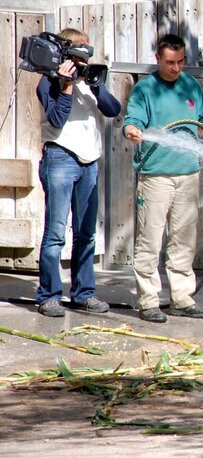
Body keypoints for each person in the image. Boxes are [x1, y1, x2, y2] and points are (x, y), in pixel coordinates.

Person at [122, 33, 203, 323]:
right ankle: (148, 301)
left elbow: (201, 122)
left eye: (180, 62)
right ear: (158, 59)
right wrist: (132, 131)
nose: (176, 68)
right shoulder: (145, 89)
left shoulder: (191, 86)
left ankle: (182, 298)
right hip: (155, 176)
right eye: (169, 62)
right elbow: (132, 121)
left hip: (188, 174)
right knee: (150, 239)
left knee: (184, 240)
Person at [35, 28, 121, 317]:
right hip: (60, 158)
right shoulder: (48, 81)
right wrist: (67, 86)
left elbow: (113, 109)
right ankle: (48, 296)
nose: (82, 59)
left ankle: (84, 294)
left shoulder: (90, 79)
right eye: (77, 53)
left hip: (89, 162)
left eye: (85, 53)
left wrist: (94, 84)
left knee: (86, 233)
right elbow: (57, 119)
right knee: (56, 233)